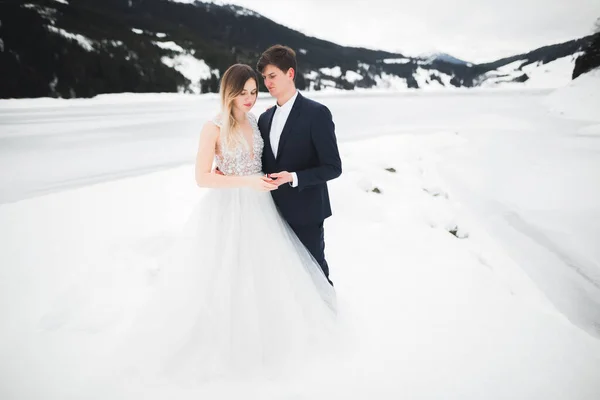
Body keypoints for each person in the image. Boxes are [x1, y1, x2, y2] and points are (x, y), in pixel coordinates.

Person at [103, 63, 337, 382]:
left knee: (267, 272)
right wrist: (244, 183)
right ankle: (224, 341)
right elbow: (201, 178)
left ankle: (272, 334)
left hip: (263, 206)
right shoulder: (212, 127)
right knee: (226, 271)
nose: (250, 99)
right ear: (228, 92)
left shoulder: (256, 122)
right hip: (230, 206)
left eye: (254, 92)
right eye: (243, 93)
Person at [256, 45, 342, 286]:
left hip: (307, 213)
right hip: (272, 214)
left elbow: (333, 167)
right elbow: (261, 162)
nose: (267, 83)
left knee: (315, 275)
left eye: (272, 76)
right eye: (264, 78)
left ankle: (330, 319)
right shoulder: (264, 118)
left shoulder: (317, 114)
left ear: (290, 74)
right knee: (284, 279)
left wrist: (293, 177)